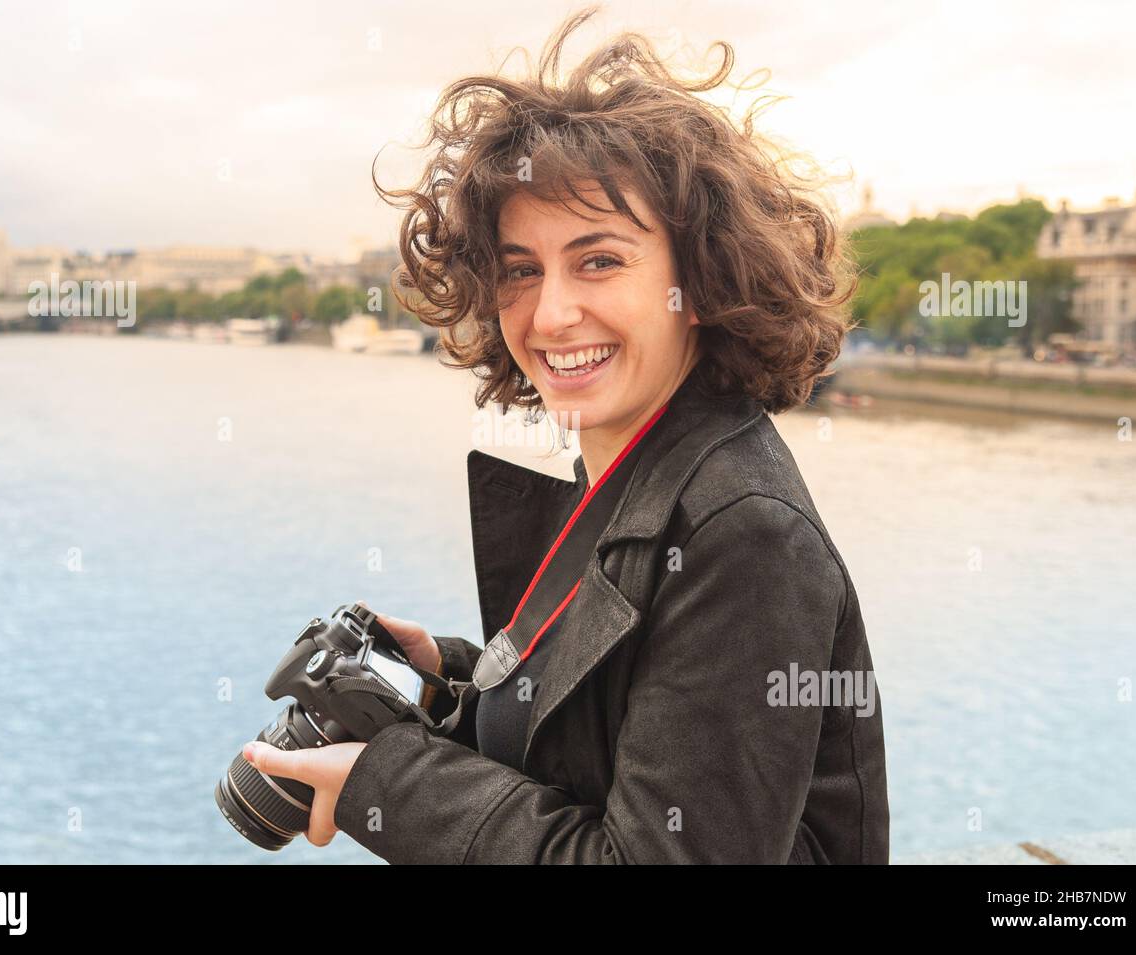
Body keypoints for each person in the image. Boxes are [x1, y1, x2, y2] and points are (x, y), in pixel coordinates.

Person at [242, 6, 889, 864]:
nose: (551, 313)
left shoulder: (745, 533)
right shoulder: (648, 469)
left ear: (698, 280)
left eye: (599, 260)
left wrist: (384, 785)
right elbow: (626, 722)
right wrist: (449, 682)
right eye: (520, 270)